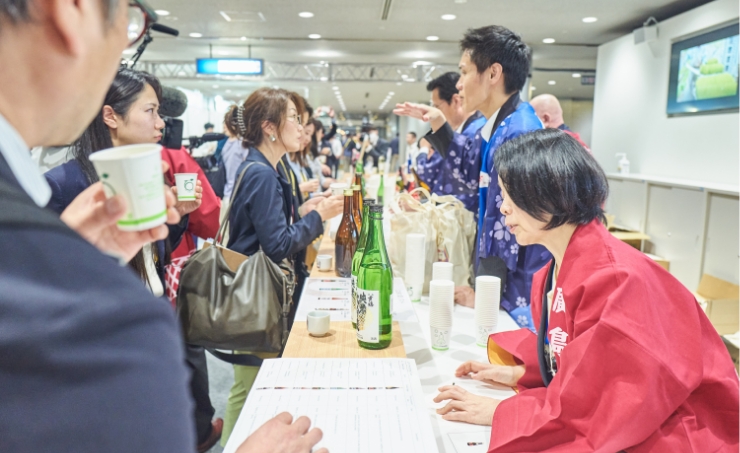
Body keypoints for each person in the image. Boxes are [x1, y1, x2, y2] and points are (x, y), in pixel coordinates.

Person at [0, 1, 326, 452]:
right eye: (131, 24)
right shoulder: (112, 323)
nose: (160, 124)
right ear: (71, 12)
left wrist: (77, 255)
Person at [433, 128, 739, 452]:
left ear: (550, 193)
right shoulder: (559, 266)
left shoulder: (616, 281)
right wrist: (522, 373)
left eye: (512, 196)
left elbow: (612, 404)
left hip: (679, 429)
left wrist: (499, 411)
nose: (503, 207)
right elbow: (584, 364)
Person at [43, 67, 227, 453]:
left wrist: (177, 220)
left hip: (151, 318)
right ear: (111, 116)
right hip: (103, 344)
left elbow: (150, 255)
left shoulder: (147, 176)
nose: (160, 123)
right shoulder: (63, 185)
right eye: (150, 111)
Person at [394, 25, 550, 329]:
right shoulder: (502, 123)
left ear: (493, 74)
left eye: (464, 72)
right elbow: (469, 167)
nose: (460, 85)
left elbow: (511, 226)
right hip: (500, 280)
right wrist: (440, 124)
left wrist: (488, 293)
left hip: (514, 288)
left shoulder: (518, 131)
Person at [221, 88, 343, 445]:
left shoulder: (268, 167)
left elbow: (270, 229)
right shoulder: (261, 172)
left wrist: (304, 212)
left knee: (252, 383)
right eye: (293, 116)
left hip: (260, 291)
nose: (301, 125)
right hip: (255, 296)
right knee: (246, 387)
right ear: (269, 127)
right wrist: (317, 217)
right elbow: (276, 246)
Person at [427, 71, 486, 139]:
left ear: (456, 101)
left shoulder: (475, 133)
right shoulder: (464, 131)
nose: (435, 114)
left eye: (437, 107)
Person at [222, 105, 251, 200]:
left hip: (236, 193)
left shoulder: (241, 143)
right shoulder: (229, 141)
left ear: (234, 126)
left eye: (226, 124)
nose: (224, 127)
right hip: (230, 193)